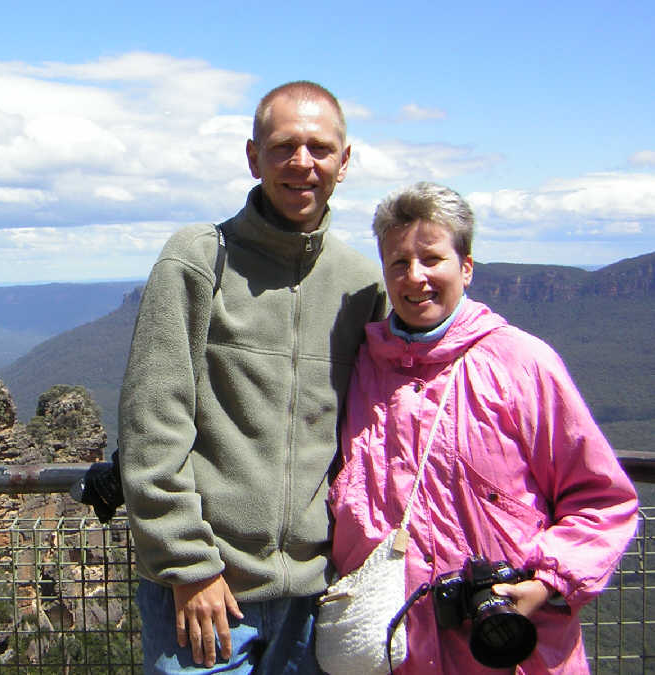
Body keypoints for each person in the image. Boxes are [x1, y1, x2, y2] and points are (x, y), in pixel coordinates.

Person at [119, 81, 387, 673]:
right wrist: (189, 567)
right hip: (207, 595)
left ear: (345, 161)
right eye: (284, 146)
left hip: (317, 597)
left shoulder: (363, 284)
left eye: (319, 148)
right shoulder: (197, 259)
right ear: (253, 156)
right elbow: (152, 424)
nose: (302, 163)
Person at [329, 181, 638, 673]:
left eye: (432, 259)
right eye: (398, 263)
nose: (415, 278)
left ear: (466, 267)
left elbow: (602, 500)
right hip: (395, 649)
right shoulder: (362, 367)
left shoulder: (522, 363)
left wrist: (544, 585)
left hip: (512, 652)